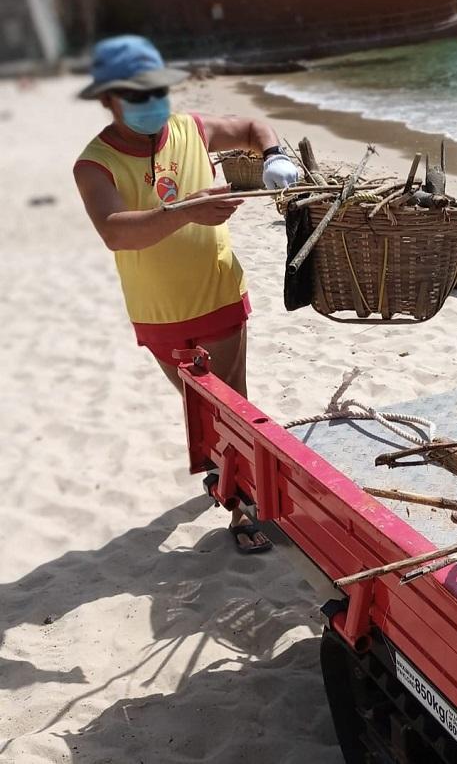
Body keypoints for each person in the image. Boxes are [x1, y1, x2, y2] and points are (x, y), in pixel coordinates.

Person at [73, 35, 301, 553]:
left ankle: (242, 508)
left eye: (158, 90)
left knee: (234, 407)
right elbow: (115, 230)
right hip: (159, 312)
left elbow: (251, 127)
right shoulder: (94, 164)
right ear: (108, 98)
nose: (152, 102)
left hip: (218, 291)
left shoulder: (190, 129)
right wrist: (188, 210)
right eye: (137, 93)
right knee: (202, 410)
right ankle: (228, 476)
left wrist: (273, 155)